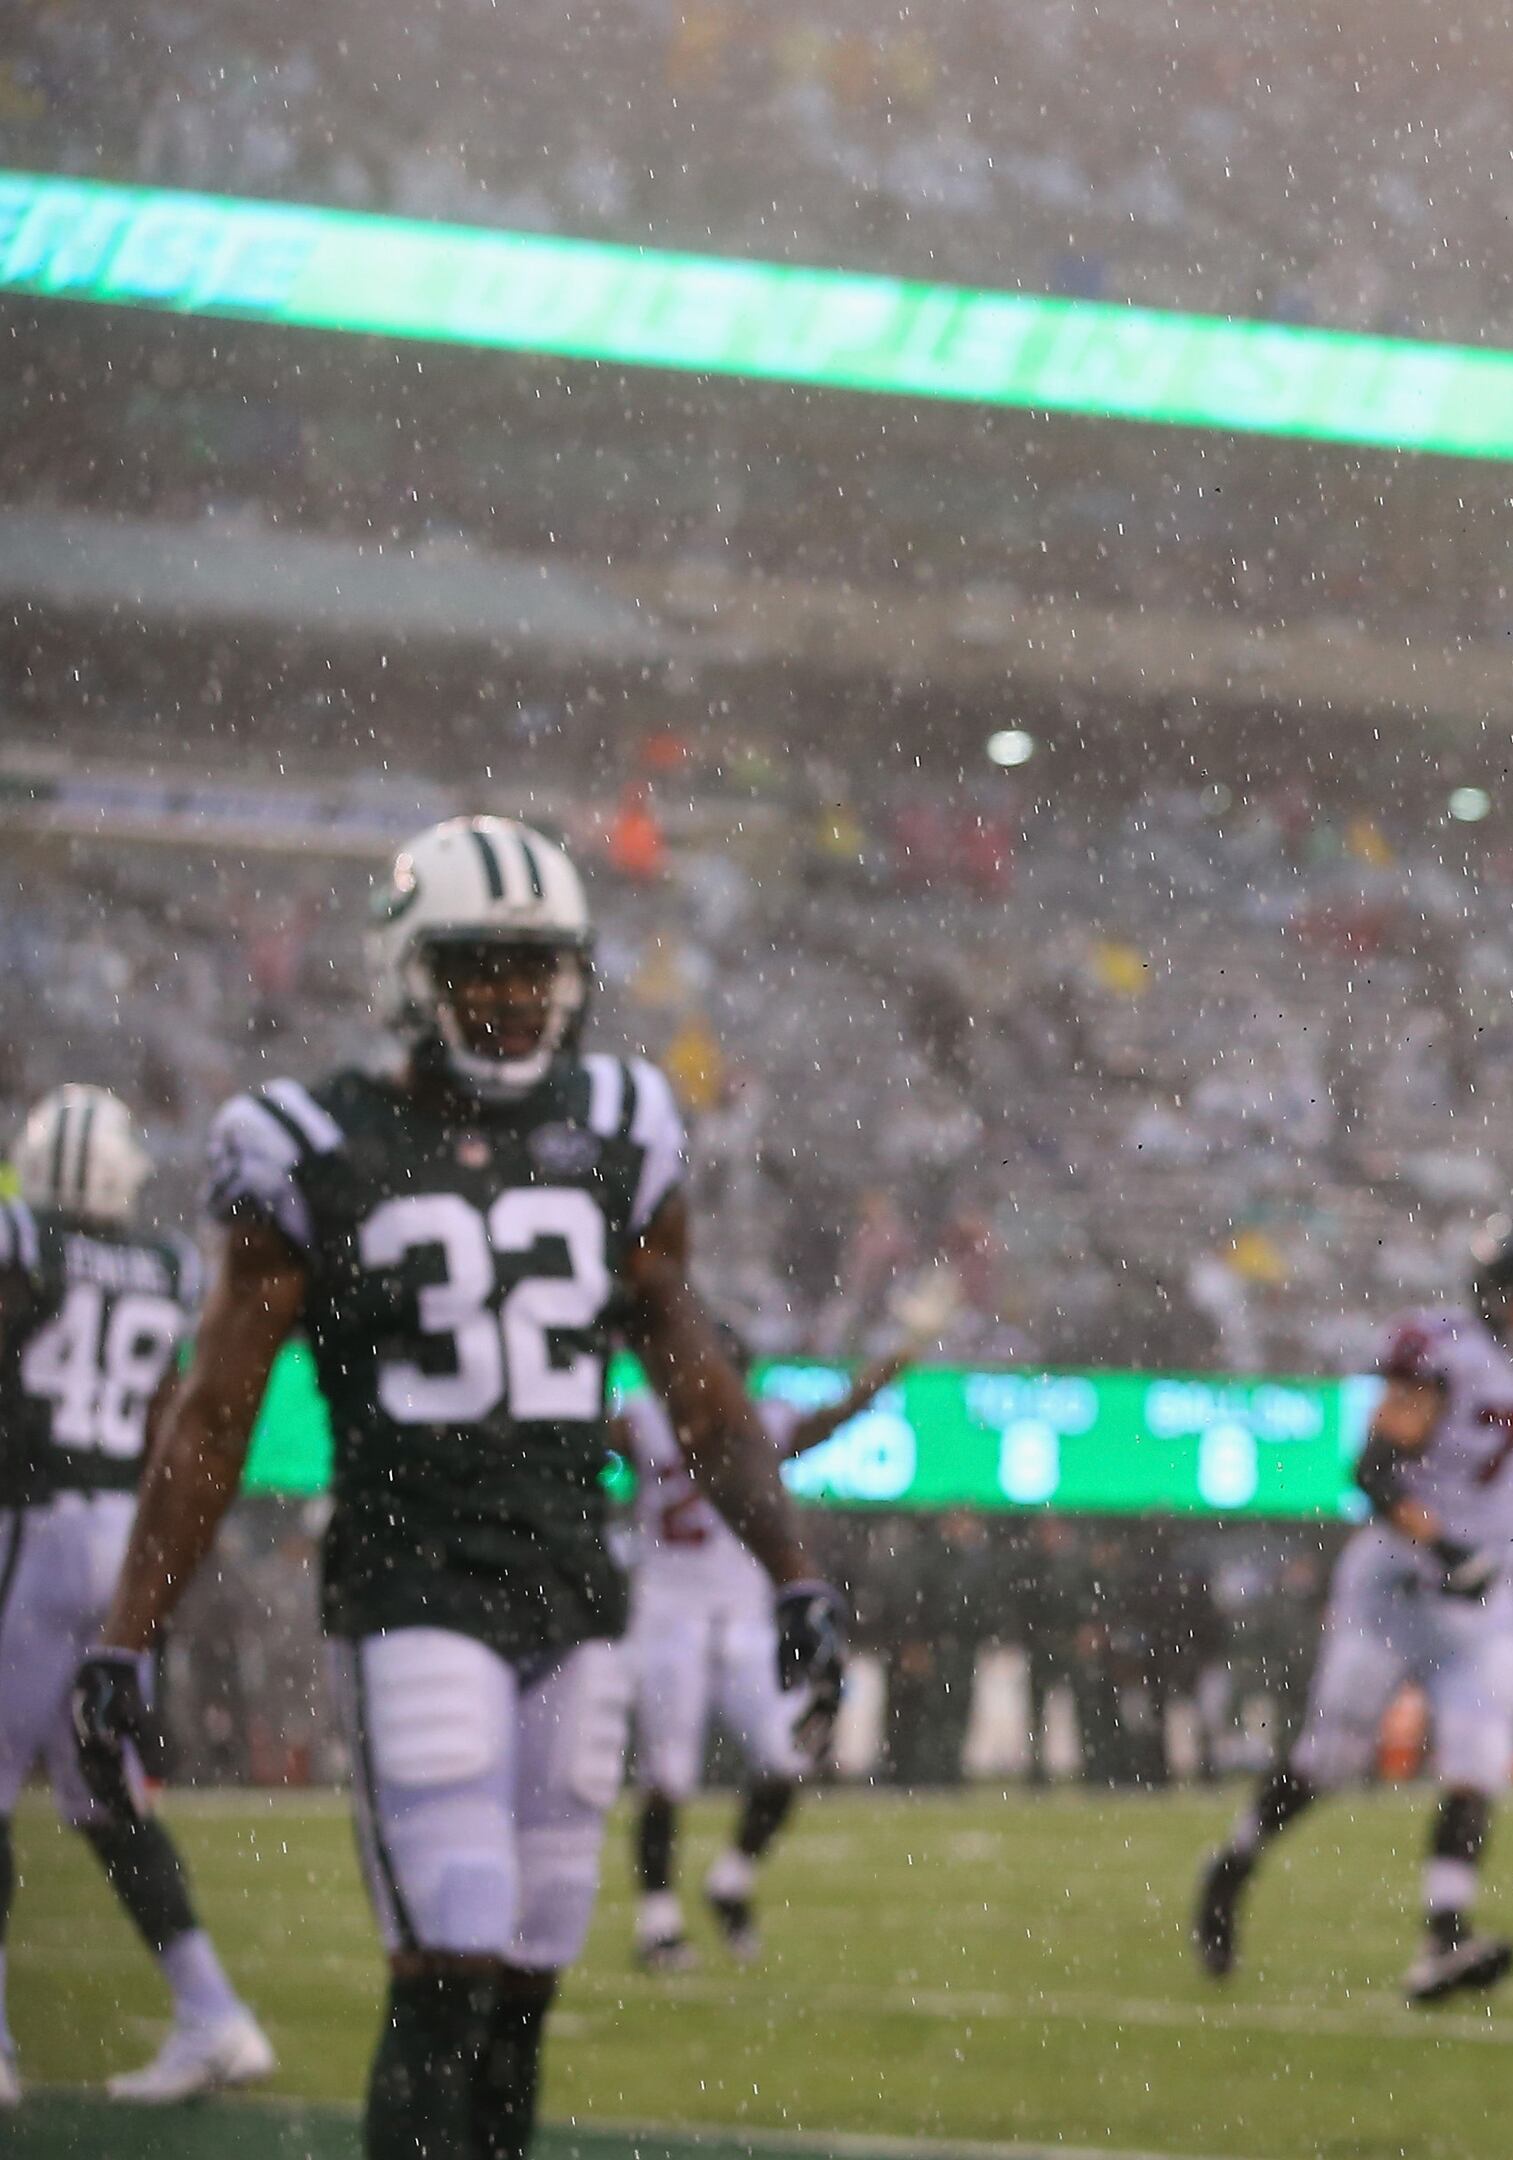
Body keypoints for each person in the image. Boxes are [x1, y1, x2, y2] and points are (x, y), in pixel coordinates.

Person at [72, 815, 849, 2160]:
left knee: (532, 1976)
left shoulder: (621, 1123)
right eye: (481, 965)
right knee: (450, 1957)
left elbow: (696, 1376)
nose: (512, 995)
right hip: (412, 1582)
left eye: (536, 967)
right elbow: (215, 1420)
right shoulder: (310, 1140)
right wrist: (126, 1635)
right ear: (407, 973)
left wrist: (792, 1567)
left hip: (575, 1589)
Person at [1192, 1224, 1513, 2003]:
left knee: (1478, 1763)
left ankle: (1442, 1941)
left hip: (1486, 1598)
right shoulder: (1441, 1353)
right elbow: (1374, 1471)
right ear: (1489, 1295)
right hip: (1397, 1587)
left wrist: (1512, 1560)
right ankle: (1232, 1865)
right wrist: (1446, 1550)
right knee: (1331, 1759)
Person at [0, 1087, 273, 2106]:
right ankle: (212, 2015)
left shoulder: (21, 1239)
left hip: (27, 1524)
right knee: (108, 1799)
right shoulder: (162, 1267)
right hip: (121, 1537)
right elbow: (170, 1413)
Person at [621, 1329, 910, 1970]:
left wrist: (892, 1363)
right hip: (669, 1612)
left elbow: (835, 1419)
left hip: (745, 1616)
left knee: (787, 1755)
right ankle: (657, 1919)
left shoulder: (762, 1421)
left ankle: (731, 1880)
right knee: (666, 1775)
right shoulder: (644, 1417)